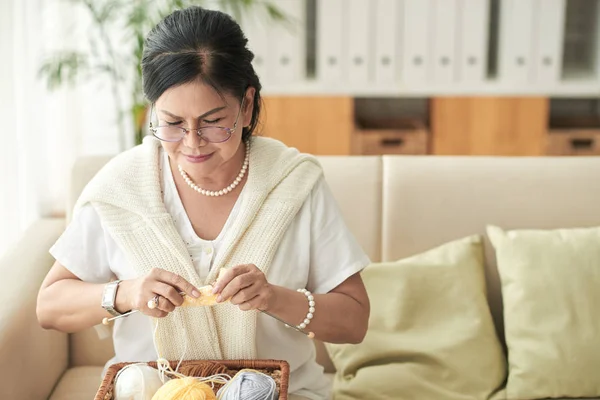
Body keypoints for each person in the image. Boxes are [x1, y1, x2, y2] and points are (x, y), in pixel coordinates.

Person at [36, 6, 370, 400]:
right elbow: (49, 307)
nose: (193, 142)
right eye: (173, 123)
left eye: (213, 121)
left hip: (281, 392)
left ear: (246, 106)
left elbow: (354, 321)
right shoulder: (122, 189)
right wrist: (126, 293)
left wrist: (274, 298)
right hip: (153, 392)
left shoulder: (293, 184)